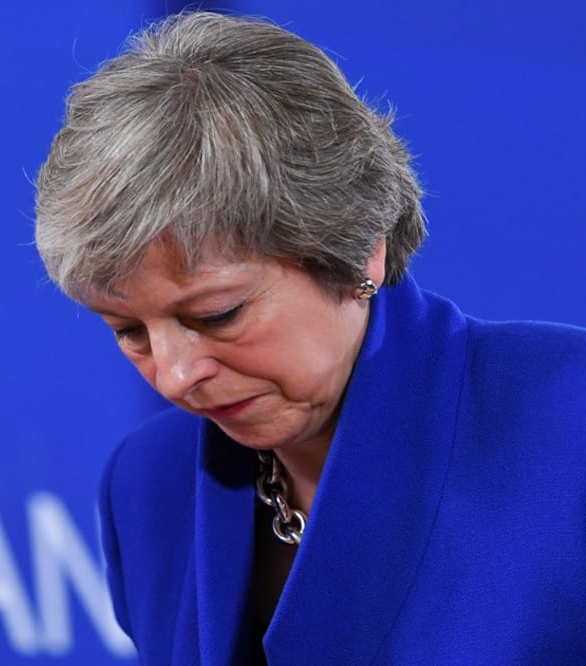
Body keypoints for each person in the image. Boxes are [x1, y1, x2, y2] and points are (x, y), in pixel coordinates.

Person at [34, 11, 586, 665]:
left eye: (217, 315)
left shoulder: (566, 418)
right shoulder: (147, 484)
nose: (175, 376)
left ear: (359, 252)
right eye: (129, 330)